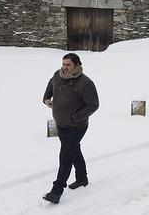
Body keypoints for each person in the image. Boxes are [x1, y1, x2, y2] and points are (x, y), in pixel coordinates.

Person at [42, 53, 99, 204]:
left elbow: (93, 105)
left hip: (76, 126)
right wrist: (46, 98)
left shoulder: (84, 83)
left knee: (65, 157)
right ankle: (82, 178)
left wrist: (76, 117)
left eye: (68, 65)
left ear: (76, 65)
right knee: (74, 152)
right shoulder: (58, 75)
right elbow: (50, 83)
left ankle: (56, 191)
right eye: (63, 64)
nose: (64, 67)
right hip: (61, 124)